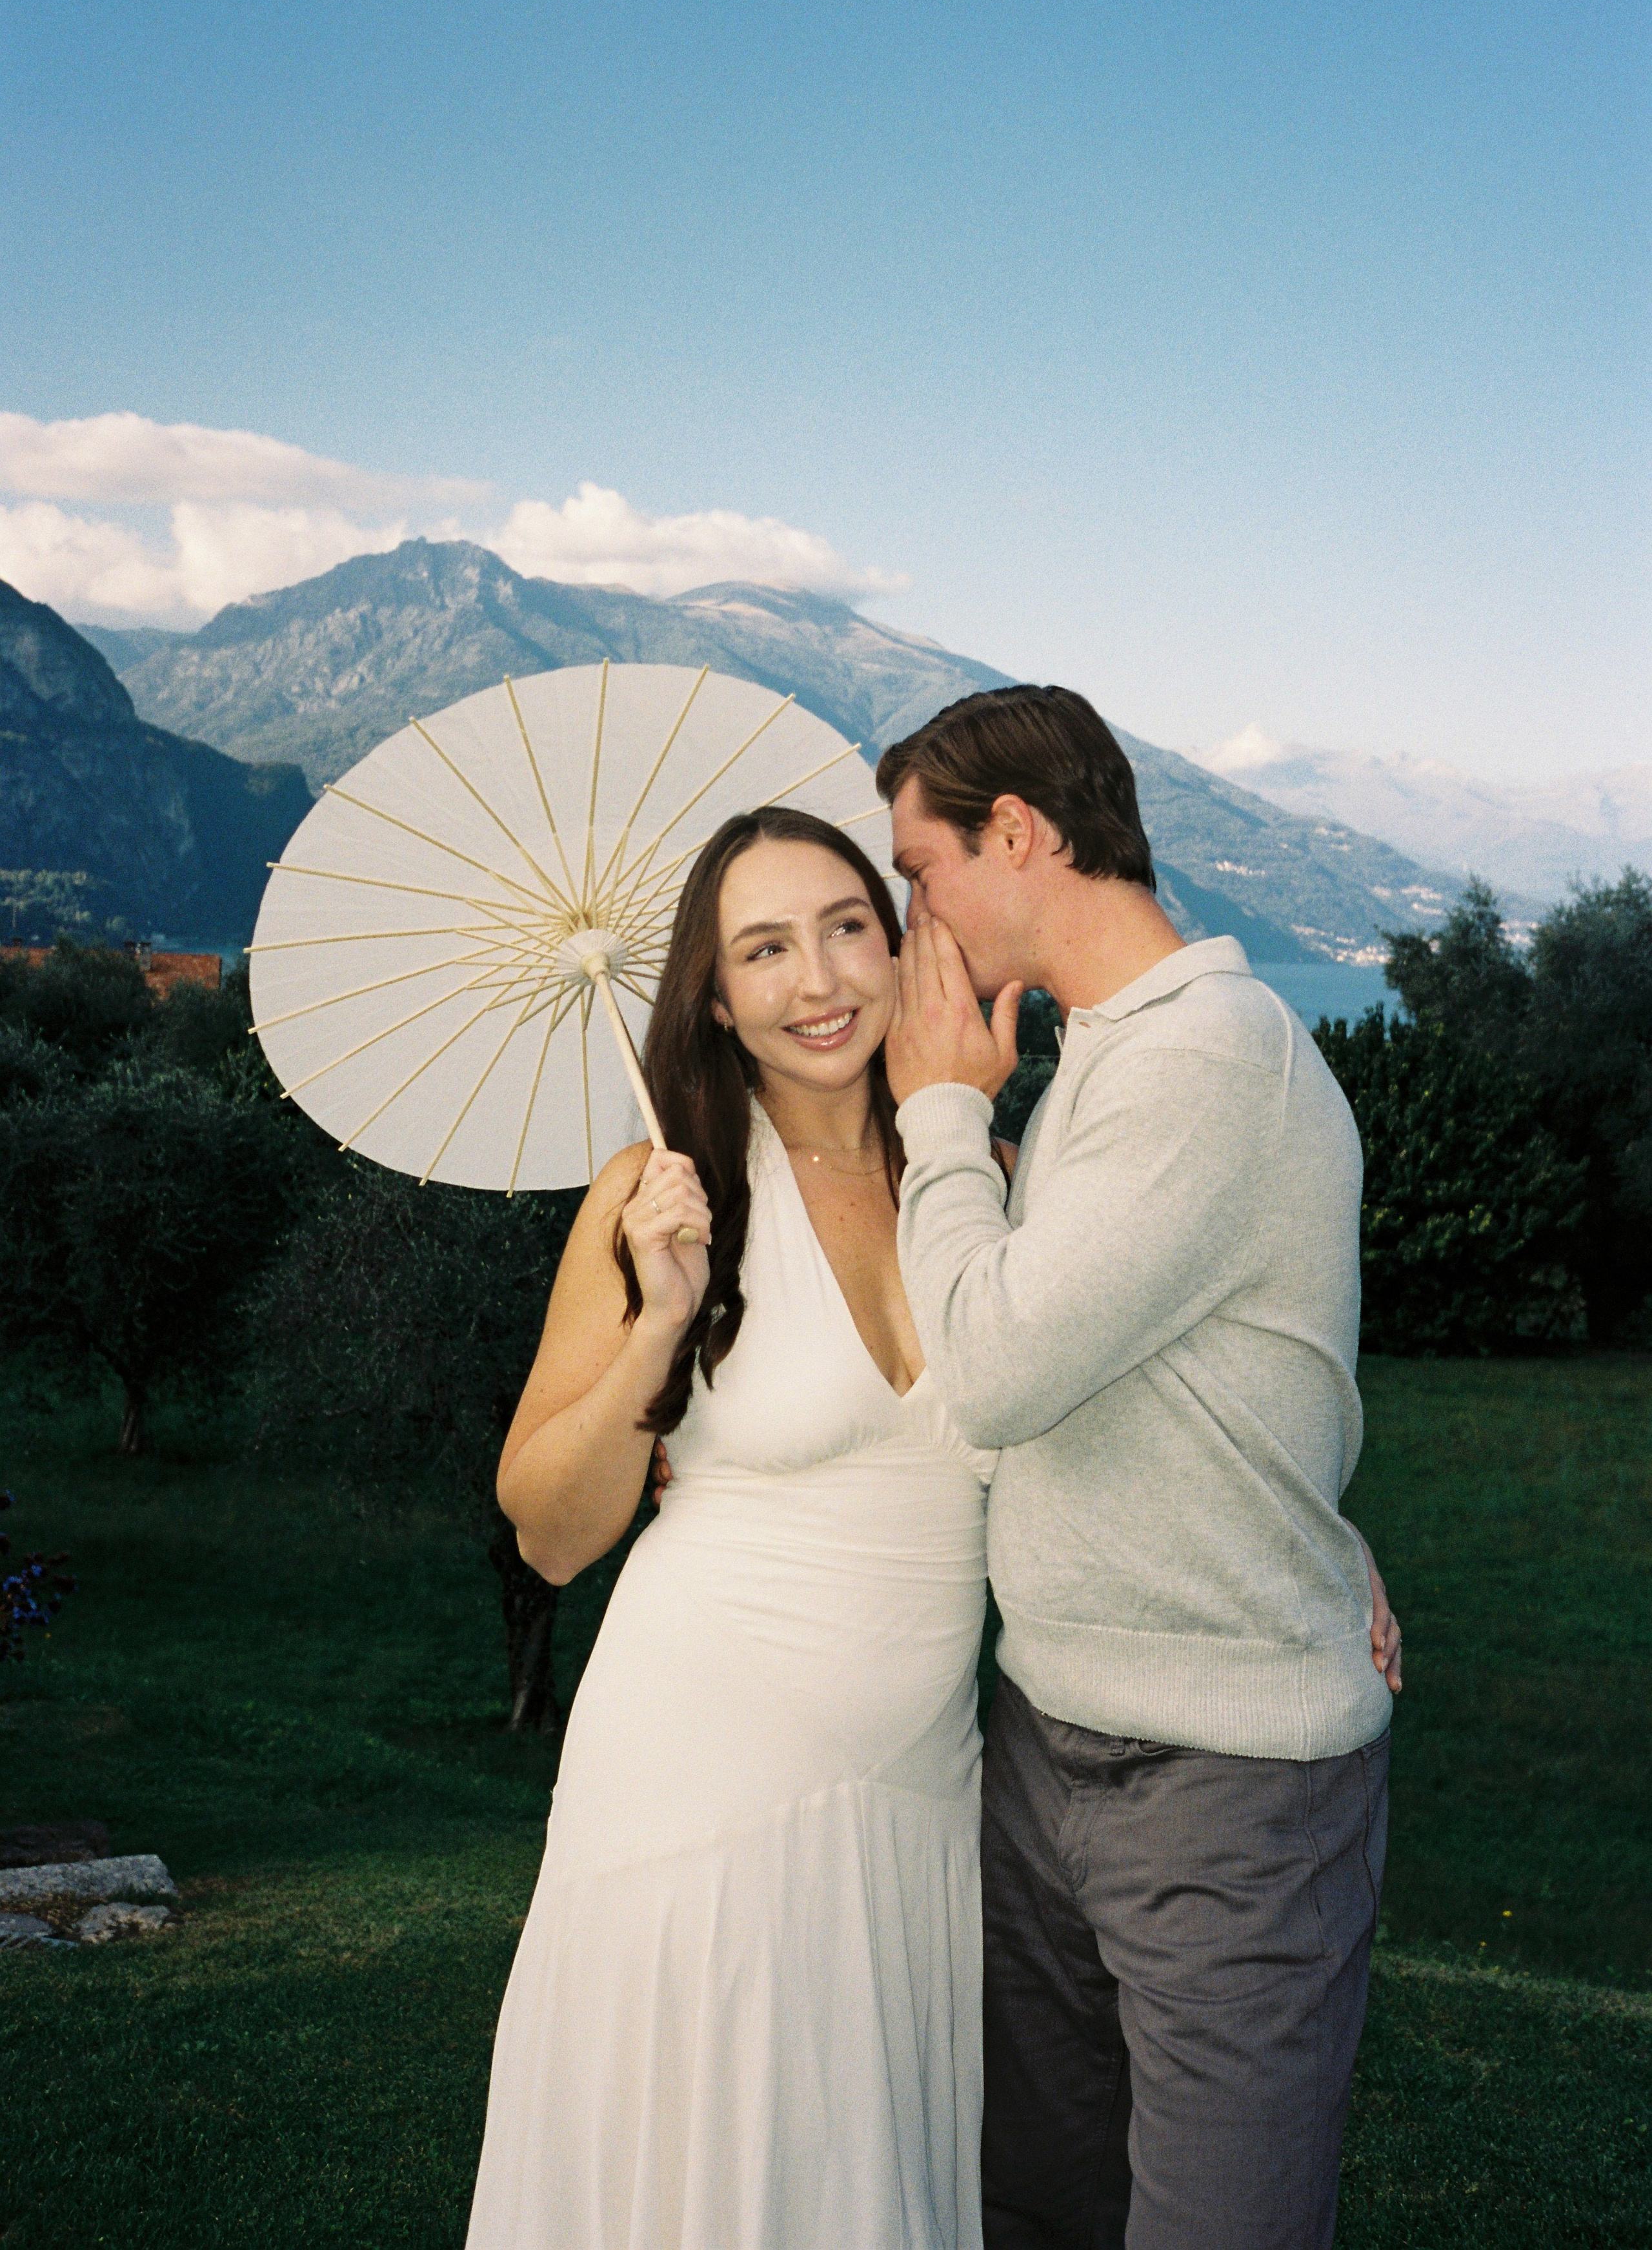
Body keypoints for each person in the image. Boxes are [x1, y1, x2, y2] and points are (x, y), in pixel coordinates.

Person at [877, 683, 1398, 2250]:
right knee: (1040, 2211)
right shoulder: (1115, 1053)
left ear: (1017, 834)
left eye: (918, 868)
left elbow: (997, 1371)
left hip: (1223, 1788)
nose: (913, 914)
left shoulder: (1207, 1058)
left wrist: (946, 1116)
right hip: (1048, 1742)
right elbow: (1203, 1364)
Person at [465, 805, 998, 2250]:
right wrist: (659, 1327)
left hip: (919, 1794)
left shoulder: (972, 1168)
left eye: (843, 926)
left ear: (898, 941)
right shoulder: (653, 1195)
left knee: (862, 2164)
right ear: (710, 994)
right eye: (762, 948)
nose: (816, 979)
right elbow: (551, 1535)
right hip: (706, 1775)